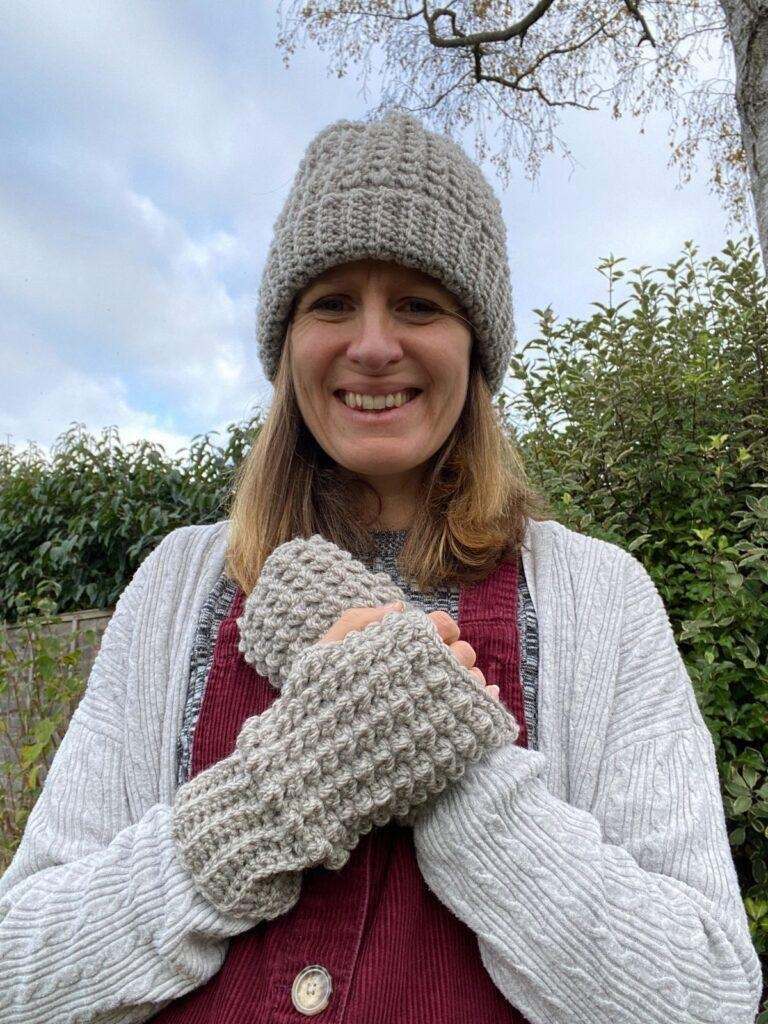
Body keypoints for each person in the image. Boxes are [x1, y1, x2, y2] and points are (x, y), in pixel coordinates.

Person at [0, 110, 762, 1024]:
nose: (371, 345)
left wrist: (450, 762)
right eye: (331, 303)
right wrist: (272, 800)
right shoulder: (177, 587)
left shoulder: (600, 597)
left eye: (418, 303)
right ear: (286, 343)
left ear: (475, 345)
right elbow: (21, 972)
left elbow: (707, 994)